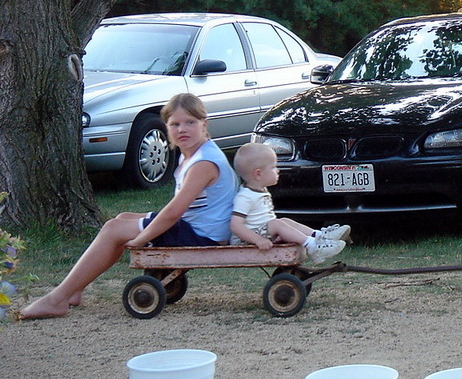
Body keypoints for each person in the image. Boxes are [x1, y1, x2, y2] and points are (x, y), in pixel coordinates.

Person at [19, 93, 238, 320]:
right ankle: (75, 290)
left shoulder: (203, 163)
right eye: (175, 124)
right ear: (167, 127)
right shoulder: (194, 154)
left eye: (190, 122)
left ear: (204, 124)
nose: (183, 129)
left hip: (204, 235)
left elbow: (173, 212)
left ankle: (57, 299)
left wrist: (142, 239)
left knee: (114, 229)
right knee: (121, 218)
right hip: (198, 227)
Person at [230, 142, 351, 265]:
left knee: (284, 221)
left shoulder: (258, 191)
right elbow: (236, 226)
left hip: (262, 232)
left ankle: (321, 236)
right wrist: (258, 240)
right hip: (246, 240)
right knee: (277, 223)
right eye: (273, 167)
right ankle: (313, 247)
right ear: (258, 174)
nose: (277, 171)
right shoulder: (245, 197)